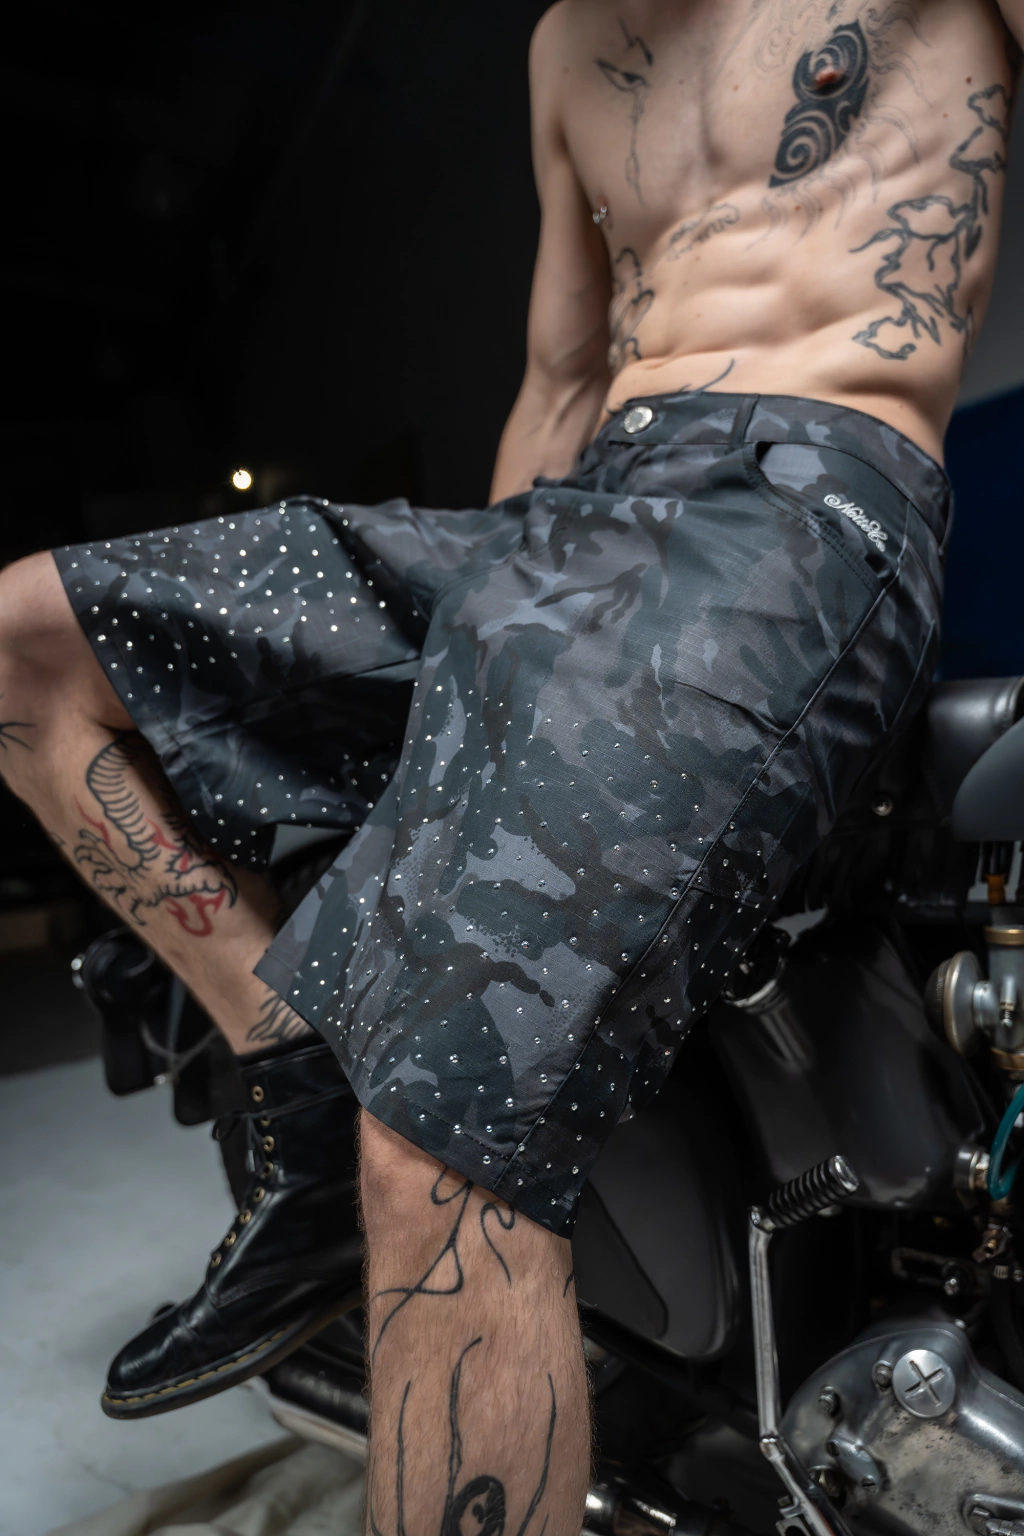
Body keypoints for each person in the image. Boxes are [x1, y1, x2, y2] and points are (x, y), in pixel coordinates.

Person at [1, 1, 1021, 1531]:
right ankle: (286, 1054)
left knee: (443, 1134)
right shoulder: (564, 45)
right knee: (28, 643)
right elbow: (555, 384)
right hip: (567, 525)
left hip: (800, 495)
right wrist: (485, 672)